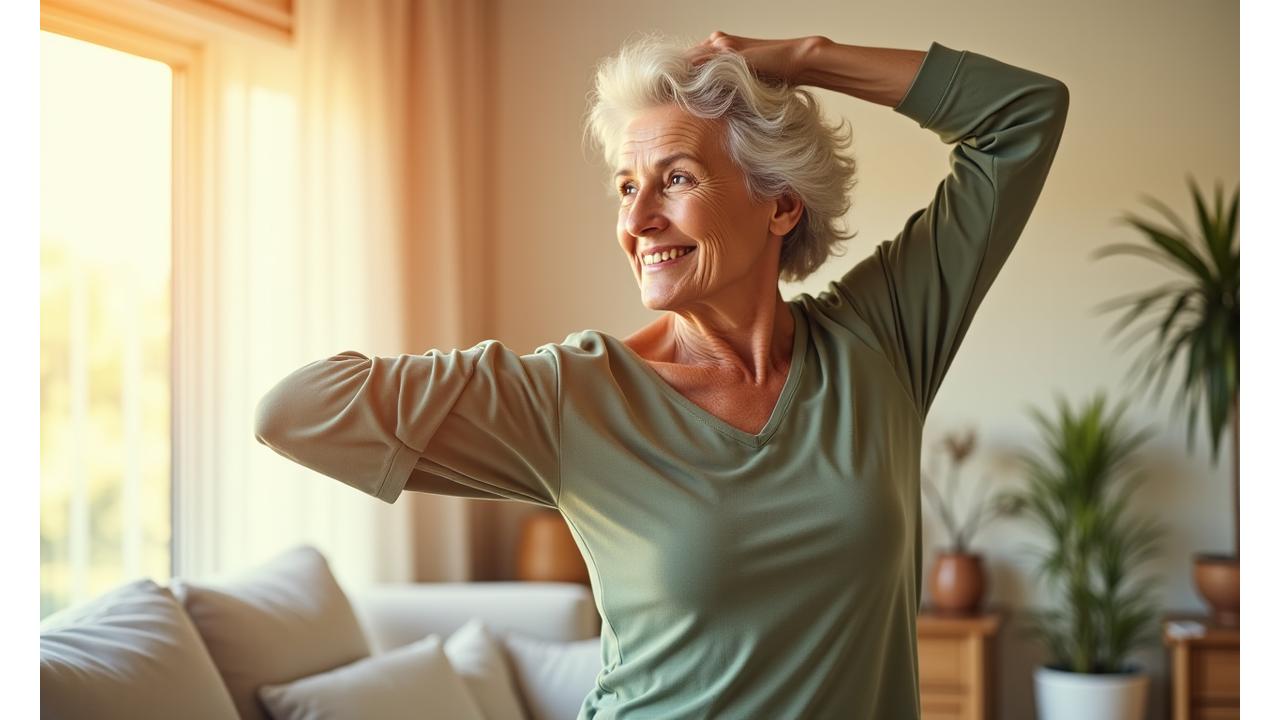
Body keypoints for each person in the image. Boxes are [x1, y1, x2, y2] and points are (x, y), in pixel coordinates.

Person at [255, 30, 1069, 720]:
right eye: (625, 186)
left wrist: (802, 57)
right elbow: (292, 412)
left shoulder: (882, 340)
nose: (638, 219)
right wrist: (490, 373)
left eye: (676, 178)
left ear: (780, 205)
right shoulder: (578, 395)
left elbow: (1022, 117)